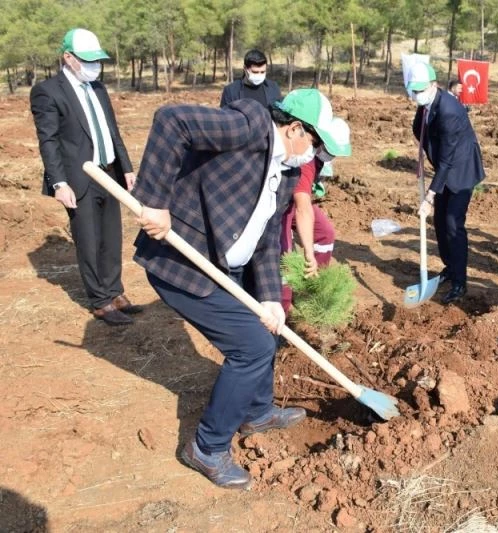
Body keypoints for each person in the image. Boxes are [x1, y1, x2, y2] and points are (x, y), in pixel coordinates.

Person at [132, 89, 349, 489]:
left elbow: (266, 241)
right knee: (252, 349)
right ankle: (207, 448)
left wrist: (270, 297)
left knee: (267, 330)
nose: (316, 157)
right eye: (316, 144)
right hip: (183, 262)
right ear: (295, 128)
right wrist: (153, 201)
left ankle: (257, 411)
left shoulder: (283, 173)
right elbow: (172, 121)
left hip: (227, 265)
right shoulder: (249, 126)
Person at [30, 28, 141, 326]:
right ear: (68, 58)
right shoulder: (48, 92)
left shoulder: (99, 88)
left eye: (97, 60)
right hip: (78, 178)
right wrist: (58, 182)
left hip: (109, 173)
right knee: (89, 241)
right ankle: (100, 301)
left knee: (112, 237)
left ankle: (115, 291)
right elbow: (49, 140)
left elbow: (112, 132)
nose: (95, 65)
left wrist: (126, 168)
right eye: (87, 60)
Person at [408, 62, 486, 304]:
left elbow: (448, 158)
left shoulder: (449, 110)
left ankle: (460, 281)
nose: (417, 95)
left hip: (461, 171)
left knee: (453, 223)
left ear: (434, 85)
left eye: (421, 90)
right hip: (445, 167)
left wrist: (430, 195)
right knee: (440, 223)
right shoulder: (428, 105)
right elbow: (418, 130)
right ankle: (450, 267)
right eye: (414, 90)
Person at [279, 118, 351, 312]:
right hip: (280, 205)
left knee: (325, 232)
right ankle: (281, 312)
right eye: (331, 150)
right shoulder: (306, 161)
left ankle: (310, 289)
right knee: (284, 253)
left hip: (293, 202)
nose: (332, 155)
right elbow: (303, 207)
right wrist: (308, 252)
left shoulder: (318, 158)